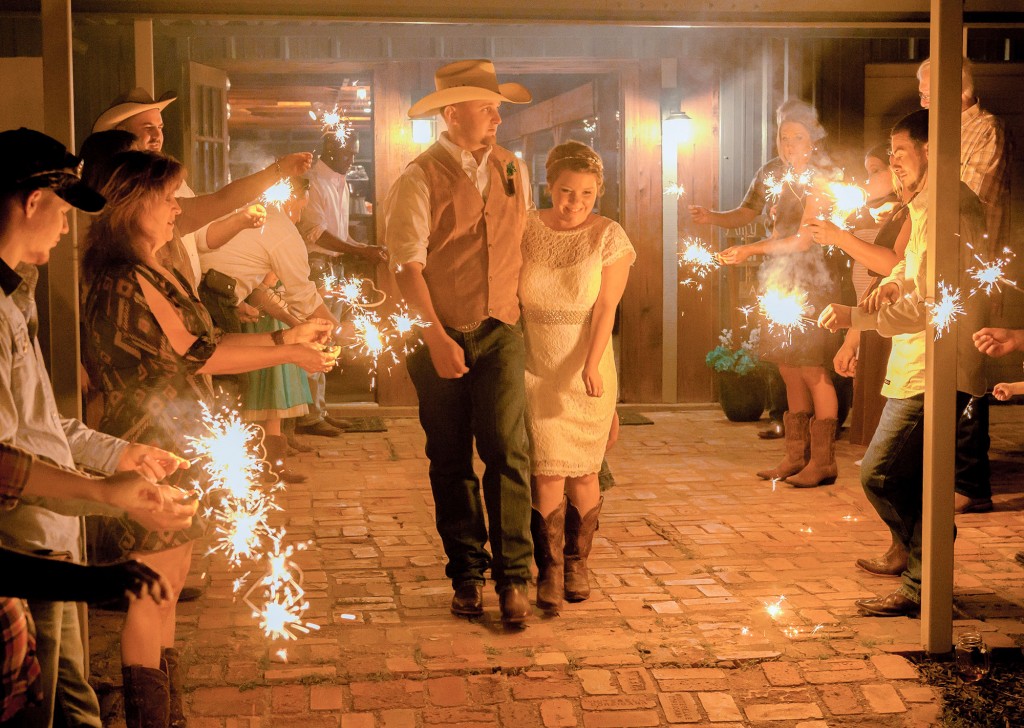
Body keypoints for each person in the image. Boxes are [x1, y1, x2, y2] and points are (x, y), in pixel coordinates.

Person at [80, 150, 337, 727]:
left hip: (179, 441)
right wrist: (289, 349)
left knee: (167, 588)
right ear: (128, 205)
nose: (177, 208)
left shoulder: (157, 267)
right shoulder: (126, 279)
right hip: (148, 446)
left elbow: (200, 347)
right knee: (152, 591)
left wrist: (286, 338)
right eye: (165, 197)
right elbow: (192, 357)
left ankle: (167, 715)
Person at [0, 128, 195, 728]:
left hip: (51, 532)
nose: (65, 229)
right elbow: (3, 460)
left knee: (75, 702)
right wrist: (105, 494)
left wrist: (120, 455)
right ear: (32, 201)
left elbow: (42, 423)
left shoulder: (16, 298)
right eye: (60, 211)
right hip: (21, 543)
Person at [818, 109, 988, 617]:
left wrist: (858, 318)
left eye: (899, 153)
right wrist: (894, 283)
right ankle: (918, 572)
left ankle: (925, 577)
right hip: (918, 362)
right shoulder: (927, 206)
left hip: (935, 365)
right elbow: (918, 277)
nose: (892, 164)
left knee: (881, 473)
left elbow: (936, 303)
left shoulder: (947, 207)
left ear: (932, 150)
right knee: (904, 477)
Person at [384, 59, 535, 625]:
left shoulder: (512, 167)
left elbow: (521, 242)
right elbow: (405, 266)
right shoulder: (417, 177)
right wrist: (435, 336)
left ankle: (514, 578)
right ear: (452, 114)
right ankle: (467, 573)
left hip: (502, 329)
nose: (498, 116)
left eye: (498, 107)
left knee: (507, 450)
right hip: (437, 334)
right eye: (486, 107)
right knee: (449, 458)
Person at [522, 142, 635, 613]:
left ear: (598, 193)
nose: (575, 202)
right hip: (534, 363)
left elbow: (606, 308)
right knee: (546, 468)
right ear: (550, 187)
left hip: (586, 358)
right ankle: (546, 570)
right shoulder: (526, 227)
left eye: (586, 194)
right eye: (567, 191)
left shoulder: (610, 236)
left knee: (584, 471)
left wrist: (591, 363)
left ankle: (577, 563)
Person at [718, 99, 854, 488]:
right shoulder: (779, 177)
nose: (789, 143)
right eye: (783, 136)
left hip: (814, 284)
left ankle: (824, 461)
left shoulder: (823, 178)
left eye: (798, 136)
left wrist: (749, 249)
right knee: (788, 367)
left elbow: (801, 241)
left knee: (813, 369)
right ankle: (796, 456)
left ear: (814, 139)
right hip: (783, 282)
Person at [0, 439, 184, 725]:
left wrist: (109, 486)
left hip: (16, 655)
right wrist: (90, 583)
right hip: (33, 543)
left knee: (74, 697)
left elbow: (14, 469)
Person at [92, 87, 313, 288]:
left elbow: (203, 238)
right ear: (122, 133)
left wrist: (241, 220)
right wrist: (276, 171)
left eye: (160, 127)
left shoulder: (170, 181)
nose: (157, 135)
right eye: (148, 128)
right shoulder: (129, 191)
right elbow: (214, 203)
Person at [199, 177, 340, 481]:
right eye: (302, 204)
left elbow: (245, 278)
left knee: (236, 389)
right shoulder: (279, 230)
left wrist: (243, 303)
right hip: (215, 300)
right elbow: (300, 294)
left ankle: (244, 467)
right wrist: (333, 329)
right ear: (289, 198)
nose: (301, 215)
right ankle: (229, 473)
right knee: (231, 389)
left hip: (223, 298)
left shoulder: (260, 221)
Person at [917, 57, 1008, 516]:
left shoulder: (985, 130)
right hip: (942, 268)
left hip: (971, 270)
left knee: (967, 372)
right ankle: (944, 473)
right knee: (943, 368)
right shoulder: (941, 135)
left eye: (928, 90)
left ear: (959, 90)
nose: (921, 99)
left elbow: (964, 194)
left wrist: (926, 175)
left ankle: (972, 484)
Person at [805, 145, 911, 448]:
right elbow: (869, 286)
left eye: (876, 170)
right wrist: (852, 341)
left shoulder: (913, 214)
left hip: (897, 324)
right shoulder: (889, 215)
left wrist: (840, 238)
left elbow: (892, 265)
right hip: (876, 320)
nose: (867, 180)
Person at [295, 132, 388, 437]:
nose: (351, 160)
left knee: (328, 339)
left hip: (333, 265)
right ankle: (307, 416)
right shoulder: (313, 181)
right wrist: (361, 251)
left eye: (353, 153)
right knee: (315, 336)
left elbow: (341, 234)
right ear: (330, 150)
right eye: (346, 153)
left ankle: (319, 410)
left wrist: (363, 247)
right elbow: (316, 233)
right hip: (315, 266)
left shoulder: (341, 182)